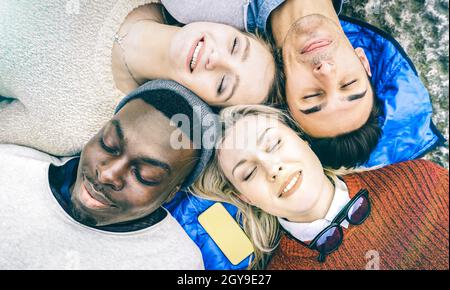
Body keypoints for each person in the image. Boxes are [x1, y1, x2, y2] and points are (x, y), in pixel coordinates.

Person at [161, 0, 444, 170]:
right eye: (348, 84)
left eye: (312, 97)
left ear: (284, 86)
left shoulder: (202, 13)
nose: (325, 71)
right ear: (363, 60)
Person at [0, 1, 277, 156]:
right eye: (235, 46)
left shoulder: (83, 125)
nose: (215, 58)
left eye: (222, 84)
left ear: (201, 105)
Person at [192, 105, 449, 270]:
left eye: (274, 144)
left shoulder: (420, 181)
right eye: (248, 173)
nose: (272, 168)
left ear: (302, 139)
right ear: (246, 198)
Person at [0, 80, 220, 269]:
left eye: (145, 175)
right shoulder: (9, 169)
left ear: (172, 193)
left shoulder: (176, 262)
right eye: (108, 144)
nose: (107, 174)